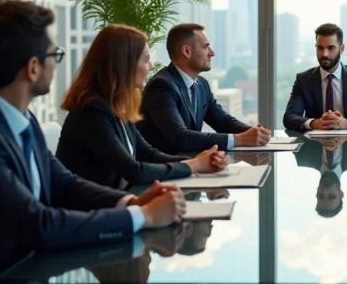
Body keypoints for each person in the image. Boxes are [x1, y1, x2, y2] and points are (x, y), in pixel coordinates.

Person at [0, 1, 186, 281]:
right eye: (55, 54)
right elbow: (38, 226)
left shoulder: (21, 118)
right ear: (33, 68)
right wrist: (144, 217)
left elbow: (64, 183)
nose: (56, 63)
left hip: (32, 268)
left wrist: (131, 202)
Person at [57, 24, 229, 190]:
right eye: (146, 60)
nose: (152, 66)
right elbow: (135, 171)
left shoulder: (117, 106)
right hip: (93, 207)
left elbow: (148, 154)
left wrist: (201, 161)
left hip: (118, 201)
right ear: (124, 64)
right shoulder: (92, 111)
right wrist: (195, 165)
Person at [138, 23, 269, 154]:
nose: (212, 53)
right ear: (187, 51)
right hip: (164, 165)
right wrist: (239, 139)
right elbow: (181, 138)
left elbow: (223, 121)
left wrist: (255, 133)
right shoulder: (161, 86)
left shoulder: (201, 84)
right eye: (206, 47)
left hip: (191, 161)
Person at [283, 23, 347, 131]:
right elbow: (289, 117)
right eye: (320, 48)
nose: (325, 54)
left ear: (341, 48)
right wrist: (315, 123)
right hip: (313, 140)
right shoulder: (303, 80)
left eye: (330, 48)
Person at [294, 134, 347, 217]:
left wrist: (314, 134)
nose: (325, 191)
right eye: (332, 196)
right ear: (341, 194)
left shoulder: (302, 156)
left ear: (317, 192)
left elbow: (291, 131)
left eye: (321, 195)